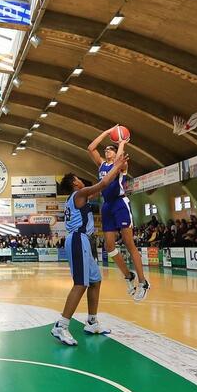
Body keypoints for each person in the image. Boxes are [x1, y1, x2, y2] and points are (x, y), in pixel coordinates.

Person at [51, 143, 129, 346]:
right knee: (80, 284)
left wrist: (116, 168)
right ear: (75, 184)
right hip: (78, 239)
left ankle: (92, 321)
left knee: (95, 280)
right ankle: (61, 325)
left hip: (84, 240)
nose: (80, 179)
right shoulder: (79, 194)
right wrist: (117, 164)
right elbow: (102, 185)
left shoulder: (79, 196)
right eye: (77, 178)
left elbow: (104, 188)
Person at [87, 127, 149, 300]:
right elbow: (91, 148)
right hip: (107, 206)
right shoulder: (101, 165)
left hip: (120, 204)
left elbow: (119, 161)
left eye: (110, 149)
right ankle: (129, 276)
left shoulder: (122, 164)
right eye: (106, 149)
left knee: (130, 245)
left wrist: (121, 142)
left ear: (115, 153)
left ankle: (143, 282)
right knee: (109, 246)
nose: (106, 150)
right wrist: (107, 133)